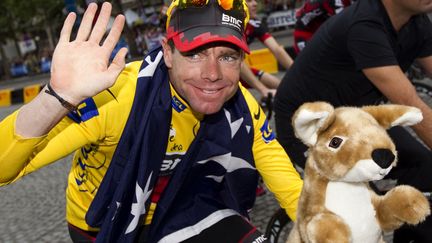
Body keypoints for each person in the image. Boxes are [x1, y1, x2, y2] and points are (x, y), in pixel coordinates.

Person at [0, 1, 303, 242]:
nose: (213, 74)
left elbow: (287, 183)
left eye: (227, 56)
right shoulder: (118, 97)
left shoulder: (240, 105)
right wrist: (56, 97)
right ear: (168, 52)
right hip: (105, 221)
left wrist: (324, 227)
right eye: (196, 53)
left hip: (186, 205)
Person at [274, 0, 432, 242]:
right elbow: (413, 106)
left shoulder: (417, 21)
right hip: (310, 127)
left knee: (424, 165)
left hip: (356, 118)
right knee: (361, 208)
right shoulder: (365, 26)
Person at [240, 0, 294, 100]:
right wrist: (263, 90)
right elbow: (236, 61)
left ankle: (264, 106)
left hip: (238, 67)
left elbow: (277, 49)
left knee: (281, 87)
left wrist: (298, 71)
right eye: (249, 0)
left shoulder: (254, 24)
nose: (255, 4)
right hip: (222, 72)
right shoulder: (229, 25)